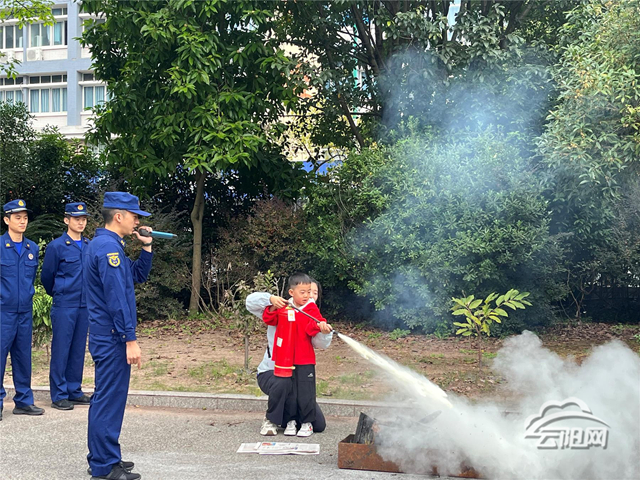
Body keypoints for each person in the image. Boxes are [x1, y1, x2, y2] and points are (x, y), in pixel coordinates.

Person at [84, 192, 153, 480]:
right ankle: (105, 465)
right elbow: (116, 299)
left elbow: (135, 276)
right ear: (119, 216)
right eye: (134, 216)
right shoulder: (108, 249)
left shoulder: (110, 245)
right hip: (112, 336)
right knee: (109, 400)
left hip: (108, 334)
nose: (137, 221)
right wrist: (129, 339)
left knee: (107, 398)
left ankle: (104, 457)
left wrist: (146, 247)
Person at [262, 273, 332, 437]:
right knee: (290, 392)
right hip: (285, 359)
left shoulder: (311, 309)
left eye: (309, 292)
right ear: (291, 292)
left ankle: (307, 423)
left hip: (305, 359)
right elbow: (269, 319)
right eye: (303, 292)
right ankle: (290, 421)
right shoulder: (283, 307)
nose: (307, 295)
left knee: (306, 391)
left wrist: (321, 327)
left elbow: (312, 327)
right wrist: (272, 305)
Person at [41, 202, 92, 411]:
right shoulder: (57, 246)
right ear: (66, 220)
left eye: (83, 219)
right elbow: (47, 277)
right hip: (64, 304)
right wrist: (60, 292)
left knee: (78, 349)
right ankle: (59, 394)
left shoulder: (89, 245)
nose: (81, 222)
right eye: (76, 219)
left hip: (84, 305)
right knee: (61, 349)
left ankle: (74, 390)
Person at [0, 199, 45, 421]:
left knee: (23, 357)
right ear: (6, 220)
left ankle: (24, 401)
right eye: (17, 217)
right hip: (3, 312)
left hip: (24, 312)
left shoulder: (32, 248)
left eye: (25, 218)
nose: (22, 221)